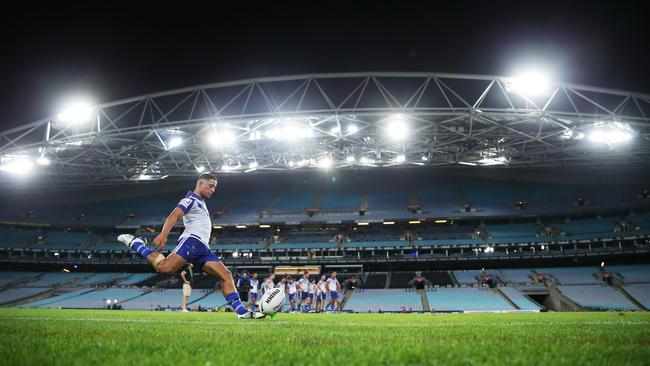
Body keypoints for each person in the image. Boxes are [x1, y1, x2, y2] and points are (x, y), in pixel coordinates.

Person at [117, 172, 264, 319]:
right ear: (200, 184)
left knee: (226, 275)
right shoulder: (190, 199)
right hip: (191, 242)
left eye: (215, 187)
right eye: (210, 186)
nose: (213, 190)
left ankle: (242, 313)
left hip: (203, 248)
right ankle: (136, 243)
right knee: (165, 268)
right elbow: (174, 214)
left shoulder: (201, 202)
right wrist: (163, 234)